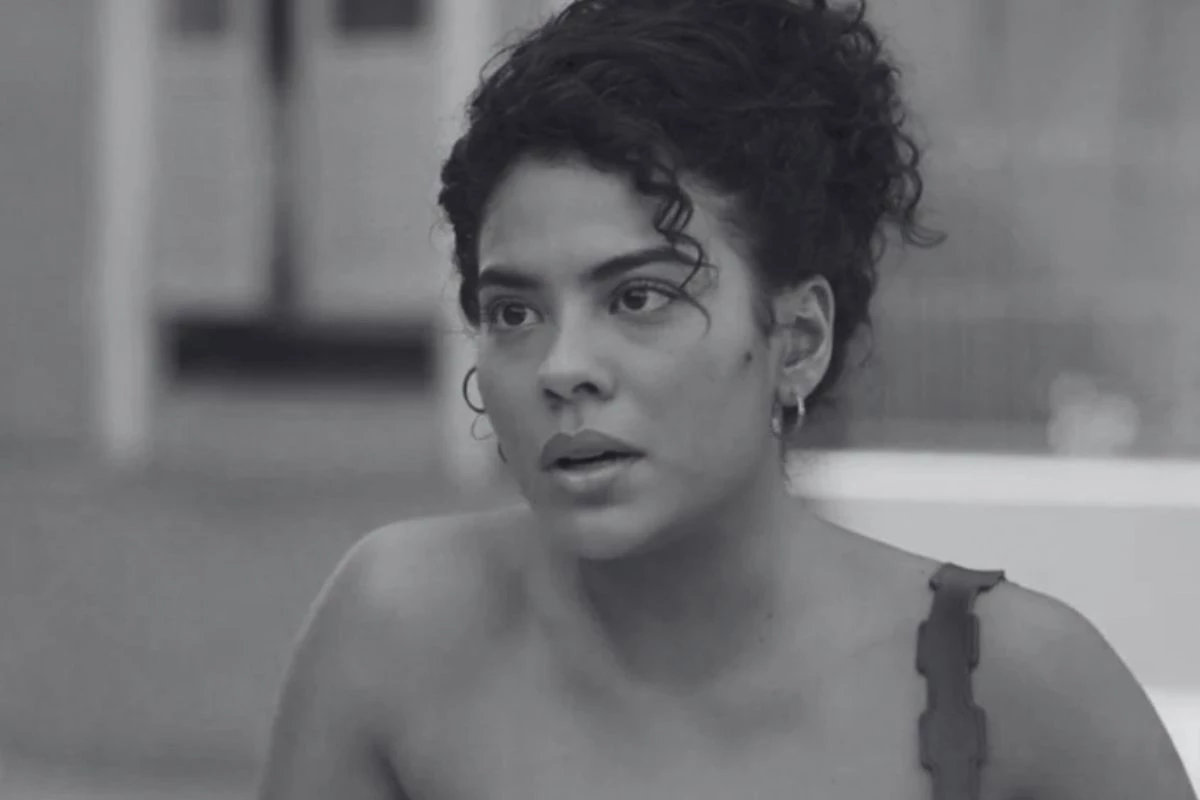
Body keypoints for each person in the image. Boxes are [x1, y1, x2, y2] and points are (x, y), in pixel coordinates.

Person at [258, 1, 1197, 798]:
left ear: (798, 340)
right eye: (514, 311)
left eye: (639, 297)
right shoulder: (401, 630)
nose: (562, 366)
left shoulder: (1006, 684)